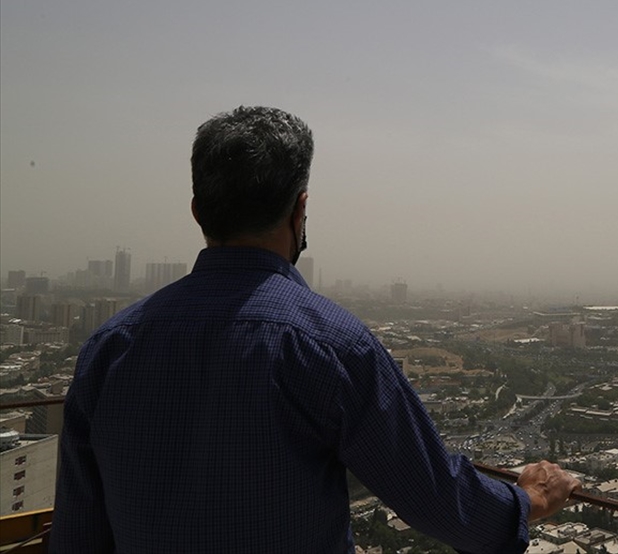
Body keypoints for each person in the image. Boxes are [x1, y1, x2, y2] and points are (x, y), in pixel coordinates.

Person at [52, 106, 579, 553]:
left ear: (197, 212)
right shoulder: (331, 345)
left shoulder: (110, 345)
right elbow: (433, 495)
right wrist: (527, 500)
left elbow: (78, 530)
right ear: (300, 209)